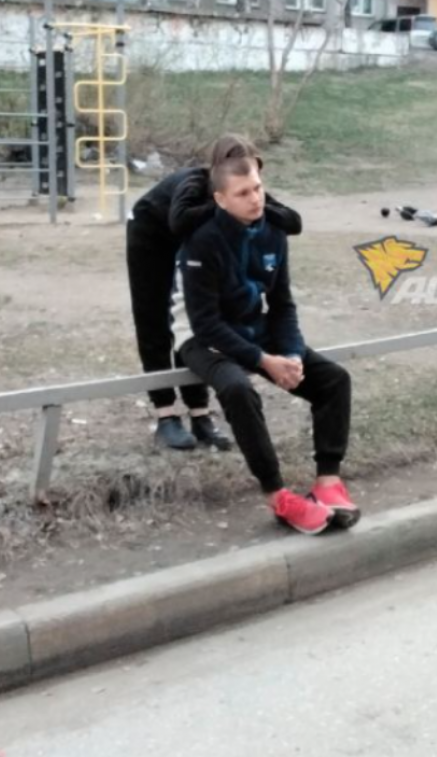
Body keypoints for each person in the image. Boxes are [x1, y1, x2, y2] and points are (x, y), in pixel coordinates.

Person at [174, 155, 359, 535]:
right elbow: (205, 323)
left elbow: (283, 304)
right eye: (243, 193)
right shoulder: (202, 240)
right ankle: (278, 496)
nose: (256, 199)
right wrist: (262, 360)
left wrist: (290, 354)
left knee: (333, 380)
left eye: (257, 188)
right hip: (202, 338)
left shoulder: (273, 231)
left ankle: (327, 483)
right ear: (221, 199)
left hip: (252, 329)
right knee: (238, 389)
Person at [126, 134, 302, 451]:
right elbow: (179, 221)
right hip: (150, 234)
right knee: (153, 320)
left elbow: (293, 221)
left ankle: (201, 415)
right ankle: (166, 416)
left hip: (187, 242)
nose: (253, 192)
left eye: (255, 174)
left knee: (190, 319)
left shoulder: (246, 191)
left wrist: (262, 208)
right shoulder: (195, 182)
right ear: (219, 168)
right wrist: (222, 206)